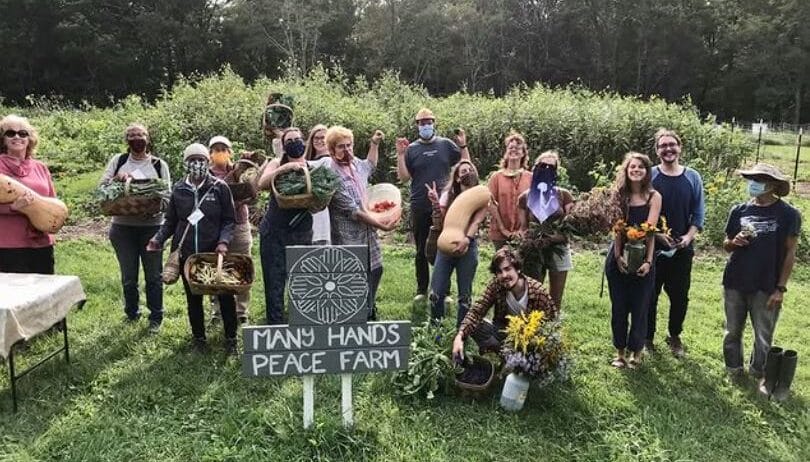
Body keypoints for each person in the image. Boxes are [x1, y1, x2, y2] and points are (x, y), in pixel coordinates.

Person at [147, 143, 237, 354]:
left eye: (202, 160)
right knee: (193, 297)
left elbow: (229, 220)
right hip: (188, 254)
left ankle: (231, 339)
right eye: (193, 160)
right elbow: (170, 221)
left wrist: (223, 241)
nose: (197, 164)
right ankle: (199, 339)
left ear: (208, 162)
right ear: (186, 163)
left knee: (225, 295)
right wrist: (158, 239)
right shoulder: (179, 190)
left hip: (214, 254)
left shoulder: (219, 187)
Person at [721, 163, 801, 381]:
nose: (754, 183)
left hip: (766, 284)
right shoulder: (739, 210)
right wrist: (734, 242)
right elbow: (726, 245)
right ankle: (733, 369)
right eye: (752, 179)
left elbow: (790, 253)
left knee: (763, 335)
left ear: (772, 184)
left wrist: (780, 288)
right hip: (735, 281)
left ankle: (758, 373)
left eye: (759, 179)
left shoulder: (788, 214)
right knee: (732, 331)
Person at [321, 126, 398, 320]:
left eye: (349, 145)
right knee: (353, 275)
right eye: (341, 147)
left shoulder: (355, 164)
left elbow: (370, 164)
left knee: (376, 269)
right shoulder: (331, 175)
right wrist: (383, 225)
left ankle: (368, 309)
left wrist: (374, 143)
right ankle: (353, 316)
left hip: (368, 231)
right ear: (331, 150)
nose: (346, 150)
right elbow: (353, 211)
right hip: (348, 234)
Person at [99, 123, 171, 332]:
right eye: (132, 135)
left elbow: (167, 196)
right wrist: (116, 180)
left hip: (152, 228)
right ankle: (132, 312)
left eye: (140, 135)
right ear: (127, 140)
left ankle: (156, 316)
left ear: (148, 139)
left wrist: (155, 209)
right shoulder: (118, 161)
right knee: (129, 276)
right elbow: (102, 189)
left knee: (153, 276)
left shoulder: (159, 165)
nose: (136, 138)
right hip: (122, 229)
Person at [396, 108, 470, 304]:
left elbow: (466, 167)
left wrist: (463, 145)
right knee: (421, 248)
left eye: (429, 122)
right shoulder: (411, 149)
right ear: (417, 126)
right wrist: (400, 154)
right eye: (422, 123)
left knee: (444, 246)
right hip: (420, 204)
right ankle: (421, 289)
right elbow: (404, 177)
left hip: (445, 205)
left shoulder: (446, 145)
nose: (426, 126)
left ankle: (444, 291)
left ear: (434, 123)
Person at [647, 128, 705, 358]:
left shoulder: (692, 177)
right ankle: (646, 338)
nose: (668, 149)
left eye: (672, 145)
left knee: (680, 295)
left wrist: (688, 237)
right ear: (657, 150)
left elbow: (698, 213)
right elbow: (640, 208)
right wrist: (656, 236)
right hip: (652, 248)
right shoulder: (649, 175)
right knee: (650, 294)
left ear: (679, 148)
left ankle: (674, 336)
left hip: (682, 249)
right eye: (663, 146)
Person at [605, 152, 661, 369]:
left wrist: (648, 261)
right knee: (619, 307)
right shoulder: (619, 195)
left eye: (641, 167)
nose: (636, 170)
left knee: (640, 307)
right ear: (626, 171)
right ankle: (619, 352)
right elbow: (617, 230)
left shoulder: (654, 197)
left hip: (643, 258)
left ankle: (636, 352)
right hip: (619, 258)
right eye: (632, 167)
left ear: (647, 172)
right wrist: (618, 256)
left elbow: (650, 232)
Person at [452, 248, 557, 359]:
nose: (504, 275)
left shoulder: (538, 292)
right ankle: (502, 354)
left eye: (507, 269)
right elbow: (477, 311)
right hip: (504, 332)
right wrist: (459, 336)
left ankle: (517, 359)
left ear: (518, 269)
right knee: (476, 325)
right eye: (499, 271)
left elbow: (553, 323)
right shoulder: (496, 285)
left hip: (531, 340)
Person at [256, 127, 314, 324]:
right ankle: (276, 325)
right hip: (274, 232)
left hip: (302, 232)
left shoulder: (311, 167)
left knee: (302, 281)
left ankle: (301, 325)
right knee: (274, 282)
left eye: (298, 139)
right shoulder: (276, 162)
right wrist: (284, 168)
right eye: (289, 140)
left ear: (304, 142)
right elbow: (262, 183)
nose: (294, 142)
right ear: (283, 146)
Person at [426, 160, 487, 327]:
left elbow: (477, 221)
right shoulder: (449, 195)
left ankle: (462, 332)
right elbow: (440, 224)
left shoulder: (481, 196)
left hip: (468, 245)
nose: (467, 173)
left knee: (465, 295)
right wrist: (435, 204)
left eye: (470, 170)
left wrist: (466, 240)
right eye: (463, 171)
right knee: (436, 292)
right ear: (458, 178)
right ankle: (435, 329)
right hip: (445, 248)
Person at [517, 150, 575, 310]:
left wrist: (553, 238)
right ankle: (530, 330)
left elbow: (570, 229)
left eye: (551, 167)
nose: (547, 169)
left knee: (555, 299)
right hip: (535, 250)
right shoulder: (525, 197)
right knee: (533, 295)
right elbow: (523, 228)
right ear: (536, 168)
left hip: (559, 249)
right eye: (543, 165)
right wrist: (525, 242)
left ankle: (552, 330)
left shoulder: (564, 195)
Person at [0, 114, 58, 274]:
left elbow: (52, 201)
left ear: (29, 138)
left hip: (41, 243)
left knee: (44, 294)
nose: (17, 137)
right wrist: (13, 208)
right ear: (3, 139)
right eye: (10, 133)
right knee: (12, 297)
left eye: (23, 133)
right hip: (7, 246)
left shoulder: (40, 167)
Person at [207, 135, 254, 325]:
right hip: (214, 227)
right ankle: (217, 311)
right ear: (210, 153)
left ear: (230, 152)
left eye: (224, 149)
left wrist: (245, 196)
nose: (220, 152)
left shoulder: (240, 171)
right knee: (215, 268)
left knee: (242, 265)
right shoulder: (207, 174)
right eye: (216, 149)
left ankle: (241, 310)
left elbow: (253, 193)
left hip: (239, 223)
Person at [488, 131, 532, 249]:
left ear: (523, 153)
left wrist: (523, 229)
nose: (514, 150)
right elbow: (491, 203)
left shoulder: (531, 177)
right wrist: (503, 229)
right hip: (499, 233)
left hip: (524, 233)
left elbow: (533, 205)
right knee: (503, 265)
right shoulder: (496, 177)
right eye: (510, 147)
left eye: (518, 148)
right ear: (506, 152)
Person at [305, 124, 331, 245]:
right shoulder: (308, 160)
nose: (320, 141)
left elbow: (305, 166)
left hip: (321, 218)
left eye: (323, 138)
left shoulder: (329, 161)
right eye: (316, 138)